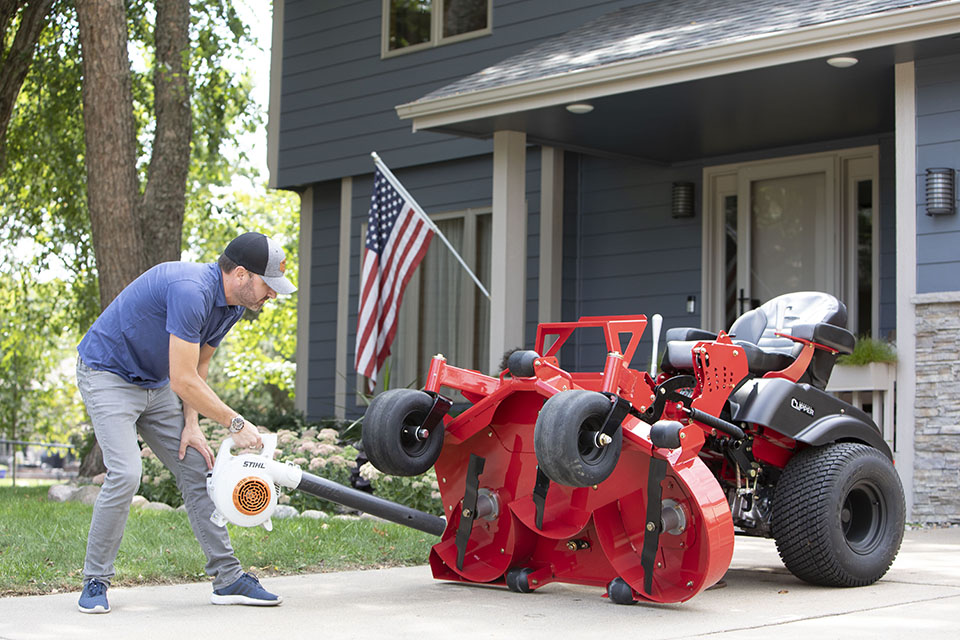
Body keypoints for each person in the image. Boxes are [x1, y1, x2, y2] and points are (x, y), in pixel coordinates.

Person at [74, 231, 296, 613]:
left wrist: (191, 424)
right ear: (241, 274)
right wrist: (236, 423)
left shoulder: (231, 308)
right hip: (107, 374)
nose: (271, 295)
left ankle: (228, 579)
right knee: (126, 473)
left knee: (198, 466)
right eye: (267, 285)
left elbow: (198, 366)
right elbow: (183, 379)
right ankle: (96, 580)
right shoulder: (190, 290)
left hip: (155, 384)